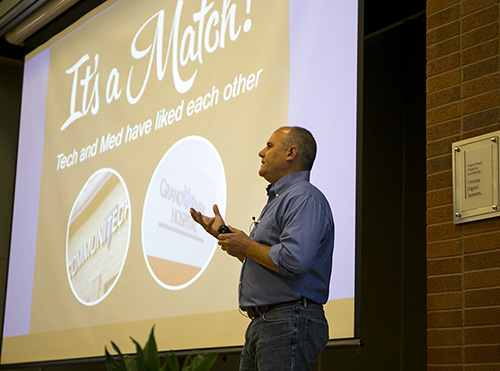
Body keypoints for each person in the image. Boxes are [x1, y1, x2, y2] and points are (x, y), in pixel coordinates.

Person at [190, 126, 334, 370]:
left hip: (287, 320)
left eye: (268, 146)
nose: (261, 152)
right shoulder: (282, 199)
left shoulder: (303, 197)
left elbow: (293, 260)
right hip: (269, 322)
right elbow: (269, 258)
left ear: (291, 153)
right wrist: (226, 236)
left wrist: (246, 245)